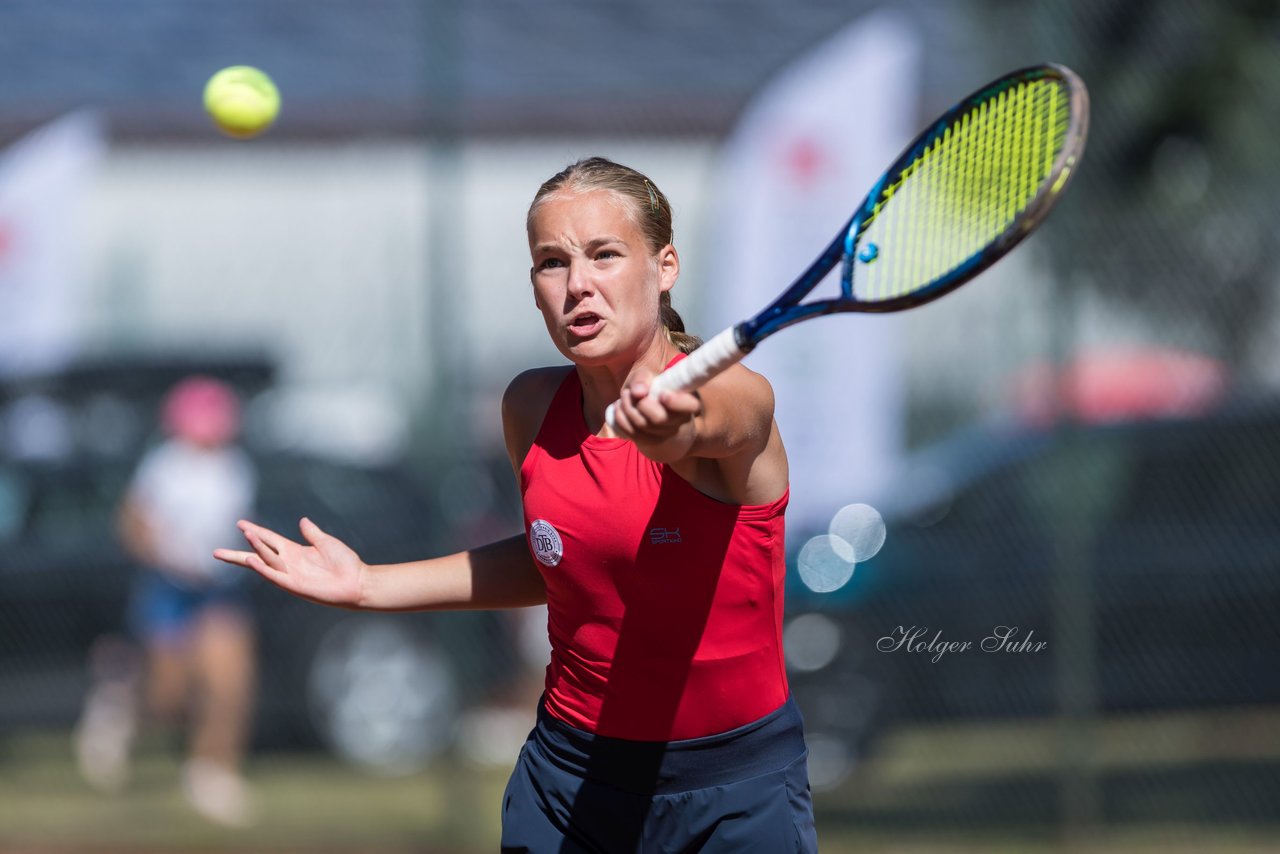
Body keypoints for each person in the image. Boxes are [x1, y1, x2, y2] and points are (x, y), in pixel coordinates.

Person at [215, 157, 817, 851]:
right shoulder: (531, 408)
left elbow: (719, 422)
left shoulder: (737, 397)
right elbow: (559, 560)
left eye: (604, 255)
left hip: (733, 791)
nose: (578, 285)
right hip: (570, 780)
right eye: (552, 263)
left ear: (665, 266)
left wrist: (673, 425)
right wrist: (367, 585)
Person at [76, 375, 259, 828]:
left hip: (219, 588)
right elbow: (134, 526)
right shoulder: (164, 465)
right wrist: (168, 558)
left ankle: (213, 772)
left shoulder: (236, 466)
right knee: (168, 695)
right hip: (168, 588)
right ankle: (120, 704)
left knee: (230, 681)